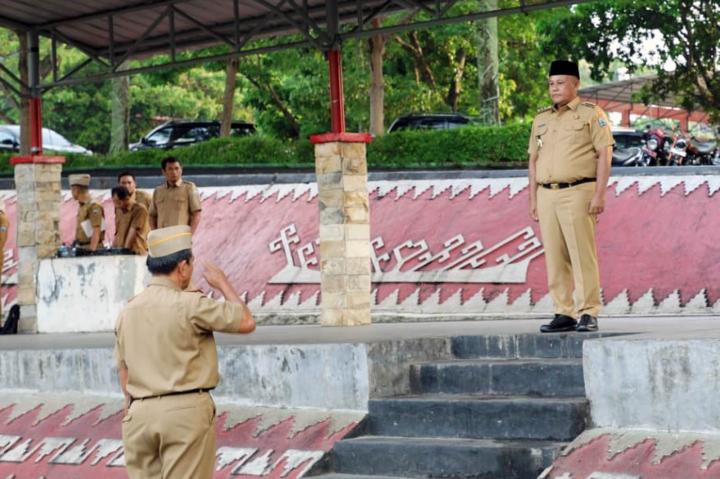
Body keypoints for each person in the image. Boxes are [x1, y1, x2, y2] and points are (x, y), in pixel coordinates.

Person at [115, 225, 255, 478]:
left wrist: (131, 411)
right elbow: (246, 321)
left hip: (139, 416)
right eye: (191, 264)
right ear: (182, 267)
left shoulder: (128, 311)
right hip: (184, 414)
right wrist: (223, 283)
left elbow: (123, 370)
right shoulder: (190, 304)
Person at [528, 60, 614, 333]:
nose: (554, 88)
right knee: (554, 256)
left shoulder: (591, 114)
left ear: (575, 84)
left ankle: (588, 311)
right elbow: (533, 160)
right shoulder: (541, 119)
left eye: (561, 82)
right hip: (546, 193)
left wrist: (599, 194)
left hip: (579, 191)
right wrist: (532, 199)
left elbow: (605, 154)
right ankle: (563, 312)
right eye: (551, 83)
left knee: (581, 254)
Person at [149, 157, 202, 233]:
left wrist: (189, 235)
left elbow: (196, 214)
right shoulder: (158, 191)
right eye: (170, 169)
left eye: (177, 168)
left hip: (180, 237)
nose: (174, 172)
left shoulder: (189, 188)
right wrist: (155, 234)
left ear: (181, 170)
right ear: (164, 172)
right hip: (162, 238)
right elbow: (152, 216)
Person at [70, 174, 105, 252]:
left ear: (76, 190)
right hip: (82, 247)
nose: (71, 193)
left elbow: (96, 230)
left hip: (92, 247)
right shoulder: (82, 205)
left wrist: (91, 251)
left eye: (72, 190)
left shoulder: (94, 206)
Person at [111, 186, 149, 255]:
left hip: (136, 252)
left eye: (119, 203)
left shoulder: (139, 209)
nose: (117, 206)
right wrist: (113, 250)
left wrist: (125, 252)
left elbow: (133, 232)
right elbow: (118, 233)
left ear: (127, 199)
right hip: (121, 252)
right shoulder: (118, 210)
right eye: (114, 203)